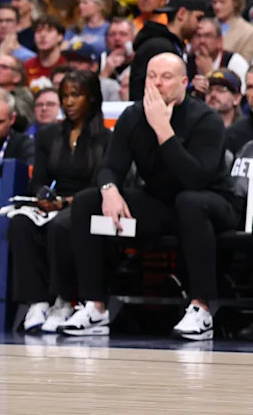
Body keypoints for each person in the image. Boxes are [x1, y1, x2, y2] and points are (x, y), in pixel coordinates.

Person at [63, 54, 240, 340]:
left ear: (184, 82)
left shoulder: (206, 119)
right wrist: (110, 191)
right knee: (87, 202)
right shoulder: (133, 116)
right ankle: (94, 305)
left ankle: (202, 309)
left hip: (213, 204)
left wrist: (163, 129)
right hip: (161, 206)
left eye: (166, 77)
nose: (157, 83)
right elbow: (110, 166)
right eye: (151, 76)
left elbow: (195, 179)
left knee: (190, 201)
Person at [13, 71, 111, 333]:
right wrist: (43, 195)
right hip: (56, 203)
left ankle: (64, 300)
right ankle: (37, 300)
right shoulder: (48, 135)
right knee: (20, 222)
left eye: (75, 95)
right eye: (65, 96)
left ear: (91, 98)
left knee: (62, 225)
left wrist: (66, 203)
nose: (68, 102)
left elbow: (102, 184)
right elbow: (39, 180)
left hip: (89, 204)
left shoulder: (106, 138)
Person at [129, 0, 206, 100]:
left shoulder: (170, 44)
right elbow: (162, 93)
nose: (200, 25)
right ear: (182, 14)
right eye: (198, 18)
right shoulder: (160, 47)